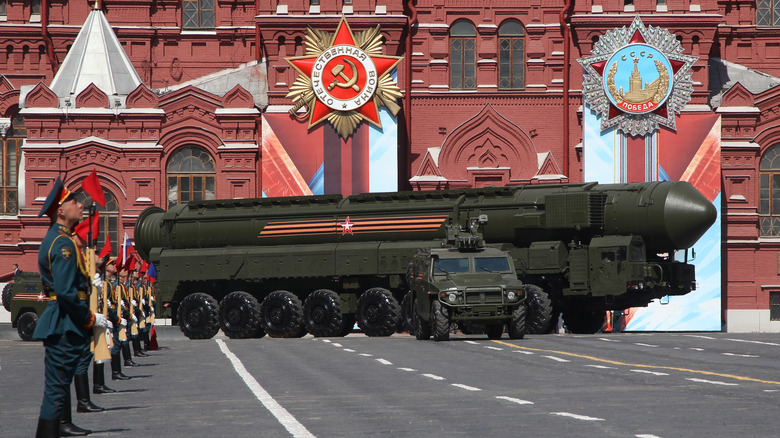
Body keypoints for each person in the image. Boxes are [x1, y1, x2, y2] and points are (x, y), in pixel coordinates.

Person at [32, 178, 111, 438]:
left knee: (58, 387)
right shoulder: (63, 244)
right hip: (64, 322)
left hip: (63, 319)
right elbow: (65, 292)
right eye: (74, 201)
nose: (80, 204)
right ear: (61, 211)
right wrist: (89, 318)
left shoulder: (60, 239)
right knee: (56, 390)